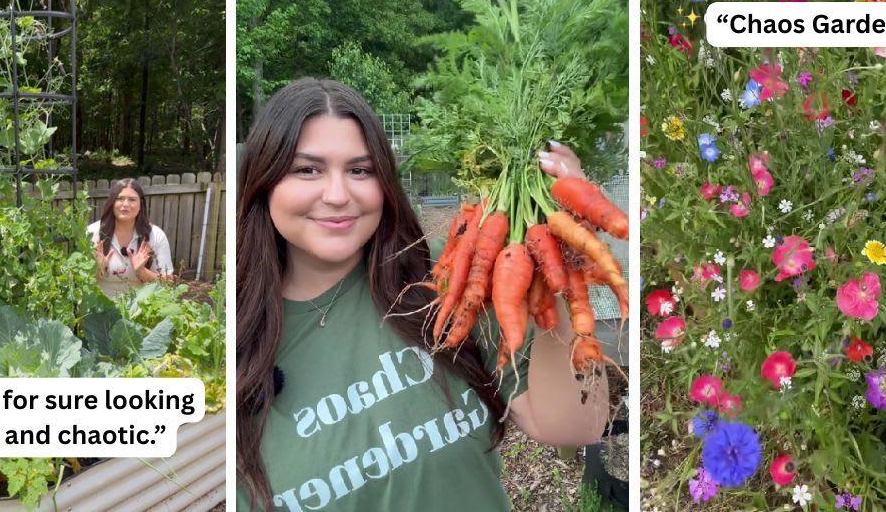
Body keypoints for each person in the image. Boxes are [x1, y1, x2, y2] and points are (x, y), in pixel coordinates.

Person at [235, 79, 610, 511]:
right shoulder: (239, 338)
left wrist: (558, 267)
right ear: (263, 183)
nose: (338, 195)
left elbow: (576, 424)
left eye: (360, 170)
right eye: (307, 170)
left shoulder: (444, 273)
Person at [88, 178, 174, 298]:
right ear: (112, 203)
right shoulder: (92, 233)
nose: (125, 204)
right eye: (120, 199)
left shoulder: (155, 235)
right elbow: (81, 282)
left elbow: (168, 283)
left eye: (132, 199)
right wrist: (98, 270)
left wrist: (142, 271)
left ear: (141, 204)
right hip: (100, 310)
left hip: (140, 310)